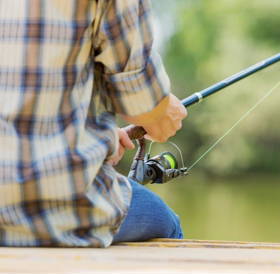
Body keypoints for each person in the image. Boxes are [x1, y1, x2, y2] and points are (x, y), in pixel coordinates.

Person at [0, 0, 187, 247]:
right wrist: (164, 111)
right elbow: (146, 106)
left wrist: (102, 136)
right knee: (168, 223)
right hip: (58, 209)